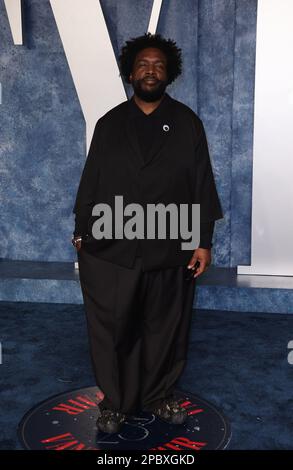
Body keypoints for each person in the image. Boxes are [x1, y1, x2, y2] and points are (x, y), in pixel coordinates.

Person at [71, 33, 223, 434]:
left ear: (169, 72)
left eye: (158, 65)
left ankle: (158, 394)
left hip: (171, 243)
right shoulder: (109, 123)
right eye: (143, 64)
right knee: (113, 328)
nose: (150, 70)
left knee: (165, 326)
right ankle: (116, 403)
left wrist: (202, 240)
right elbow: (92, 181)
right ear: (130, 72)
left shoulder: (188, 123)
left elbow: (200, 184)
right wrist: (81, 232)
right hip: (112, 243)